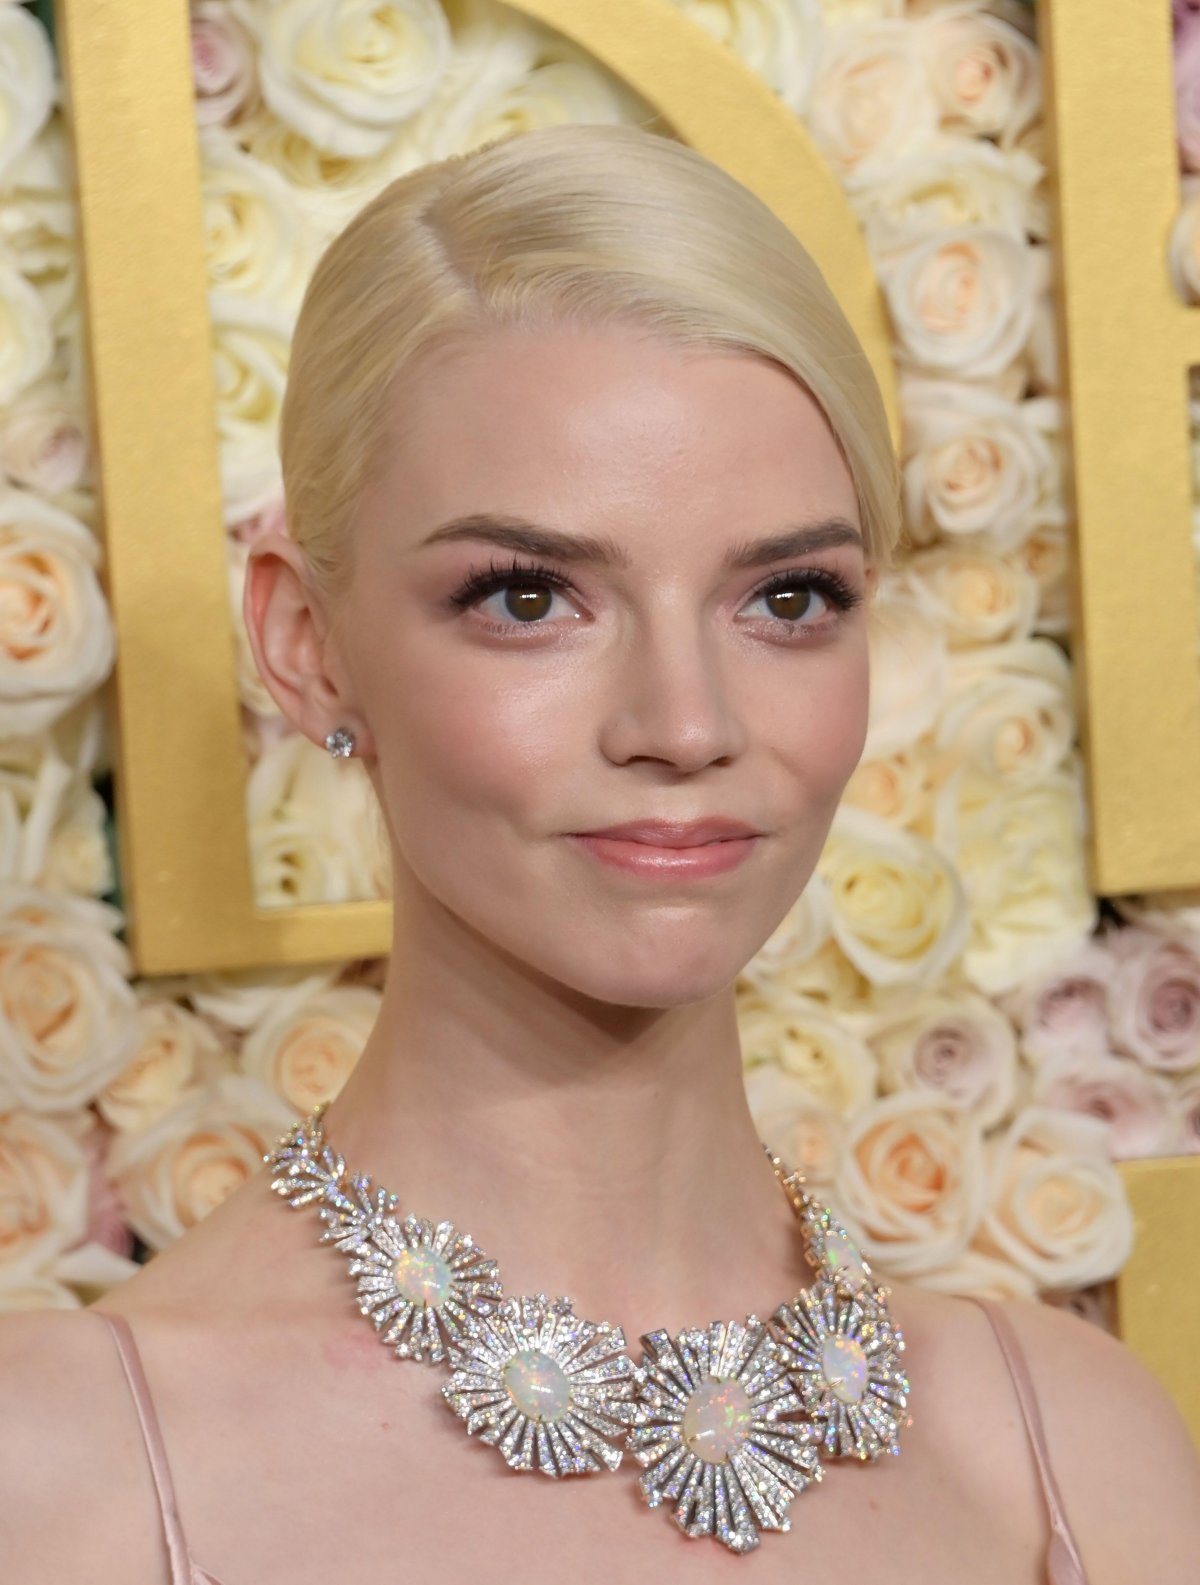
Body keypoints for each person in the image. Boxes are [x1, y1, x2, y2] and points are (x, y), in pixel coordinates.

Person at [2, 121, 1197, 1584]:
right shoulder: (66, 1473)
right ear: (304, 642)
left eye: (790, 597)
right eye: (526, 597)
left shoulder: (1073, 1452)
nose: (684, 723)